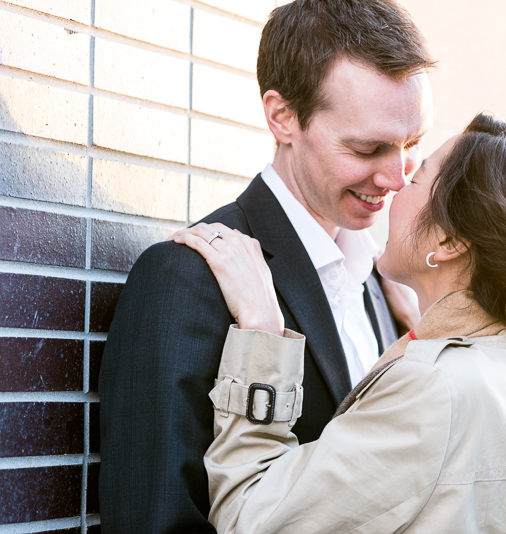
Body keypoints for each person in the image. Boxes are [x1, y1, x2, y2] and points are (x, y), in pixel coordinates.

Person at [171, 113, 506, 532]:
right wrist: (423, 328)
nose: (395, 183)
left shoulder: (434, 389)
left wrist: (262, 336)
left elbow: (251, 519)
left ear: (451, 240)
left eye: (416, 178)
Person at [98, 0, 435, 531]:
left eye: (412, 144)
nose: (396, 178)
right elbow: (151, 516)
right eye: (368, 148)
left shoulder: (383, 287)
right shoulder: (184, 280)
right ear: (282, 117)